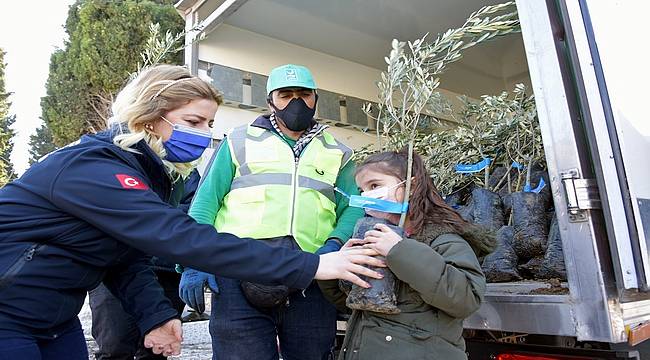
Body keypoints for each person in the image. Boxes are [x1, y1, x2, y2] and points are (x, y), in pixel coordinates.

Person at [0, 64, 384, 360]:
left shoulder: (152, 176)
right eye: (193, 122)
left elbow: (126, 261)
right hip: (8, 312)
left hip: (53, 320)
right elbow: (182, 234)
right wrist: (313, 266)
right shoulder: (95, 167)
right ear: (149, 118)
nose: (203, 134)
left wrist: (156, 317)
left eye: (209, 123)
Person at [179, 63, 365, 360]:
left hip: (313, 273)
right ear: (269, 101)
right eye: (285, 94)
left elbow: (354, 208)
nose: (295, 102)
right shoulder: (238, 140)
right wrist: (193, 262)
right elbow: (205, 203)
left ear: (316, 98)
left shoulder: (338, 152)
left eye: (304, 94)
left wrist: (334, 245)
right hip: (239, 271)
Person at [320, 149, 495, 360]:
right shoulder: (373, 237)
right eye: (362, 190)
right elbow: (353, 303)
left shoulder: (444, 239)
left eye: (375, 186)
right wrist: (341, 267)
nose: (366, 195)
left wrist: (399, 251)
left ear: (410, 187)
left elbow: (465, 299)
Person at [88, 169, 200, 360]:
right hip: (116, 269)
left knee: (156, 350)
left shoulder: (184, 169)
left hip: (166, 270)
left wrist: (146, 215)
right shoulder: (113, 164)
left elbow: (195, 211)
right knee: (114, 345)